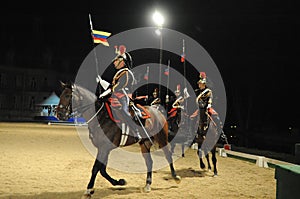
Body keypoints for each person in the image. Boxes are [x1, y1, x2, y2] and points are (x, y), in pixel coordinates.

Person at [96, 45, 142, 140]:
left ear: (122, 62)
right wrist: (101, 82)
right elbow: (113, 87)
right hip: (116, 95)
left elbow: (117, 87)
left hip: (123, 96)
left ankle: (136, 131)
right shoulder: (119, 73)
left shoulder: (126, 73)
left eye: (117, 60)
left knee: (124, 112)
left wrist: (103, 89)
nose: (114, 62)